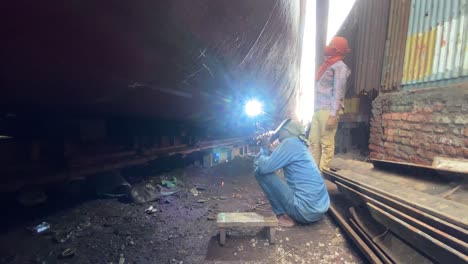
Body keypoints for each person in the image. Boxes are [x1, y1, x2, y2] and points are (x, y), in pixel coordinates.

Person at [254, 119, 330, 227]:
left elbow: (264, 168)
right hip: (320, 208)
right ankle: (288, 212)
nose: (278, 133)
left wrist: (264, 147)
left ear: (287, 131)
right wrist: (271, 141)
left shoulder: (289, 143)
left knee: (259, 172)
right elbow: (274, 160)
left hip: (305, 212)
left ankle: (282, 216)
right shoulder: (300, 144)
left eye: (281, 130)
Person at [309, 36, 351, 171]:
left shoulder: (340, 67)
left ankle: (322, 174)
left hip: (329, 109)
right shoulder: (327, 65)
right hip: (319, 109)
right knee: (313, 142)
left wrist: (333, 115)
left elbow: (338, 92)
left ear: (338, 49)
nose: (329, 46)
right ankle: (313, 174)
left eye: (332, 45)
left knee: (326, 143)